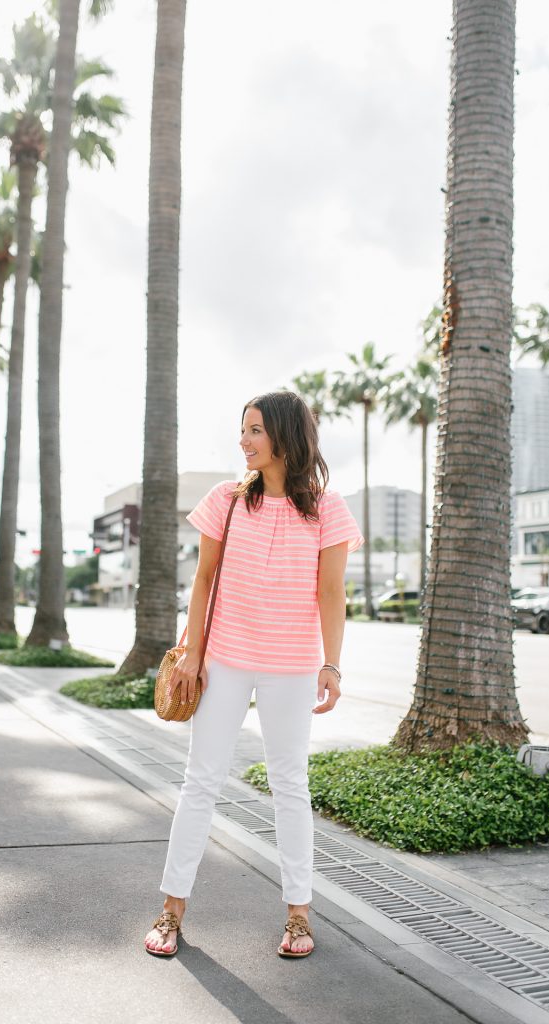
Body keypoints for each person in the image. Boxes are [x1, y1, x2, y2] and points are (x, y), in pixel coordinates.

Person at [144, 390, 364, 959]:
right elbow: (203, 579)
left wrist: (331, 664)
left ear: (285, 436)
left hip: (291, 667)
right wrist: (193, 651)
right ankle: (170, 911)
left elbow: (331, 593)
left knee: (290, 786)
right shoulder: (226, 500)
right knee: (202, 782)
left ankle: (297, 916)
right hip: (226, 660)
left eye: (256, 430)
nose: (244, 441)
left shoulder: (327, 508)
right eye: (242, 429)